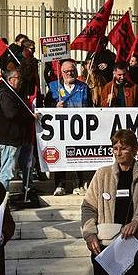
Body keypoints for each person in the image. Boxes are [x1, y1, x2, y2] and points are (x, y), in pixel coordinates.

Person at [81, 129, 138, 275]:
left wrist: (137, 222)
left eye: (124, 148)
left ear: (135, 149)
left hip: (135, 246)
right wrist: (89, 234)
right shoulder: (102, 174)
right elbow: (88, 207)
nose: (118, 152)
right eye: (115, 148)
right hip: (104, 246)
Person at [47, 59, 91, 195]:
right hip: (60, 130)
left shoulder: (84, 87)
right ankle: (60, 185)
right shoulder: (54, 87)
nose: (69, 73)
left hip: (79, 129)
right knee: (60, 156)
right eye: (66, 71)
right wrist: (55, 106)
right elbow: (45, 106)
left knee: (79, 155)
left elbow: (90, 107)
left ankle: (79, 184)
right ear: (61, 73)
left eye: (72, 71)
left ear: (76, 71)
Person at [0, 69, 35, 190]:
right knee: (8, 169)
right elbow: (11, 114)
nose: (21, 81)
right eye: (18, 78)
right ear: (10, 80)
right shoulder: (5, 94)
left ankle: (28, 189)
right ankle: (3, 194)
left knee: (28, 166)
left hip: (22, 138)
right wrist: (30, 116)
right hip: (10, 139)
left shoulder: (18, 94)